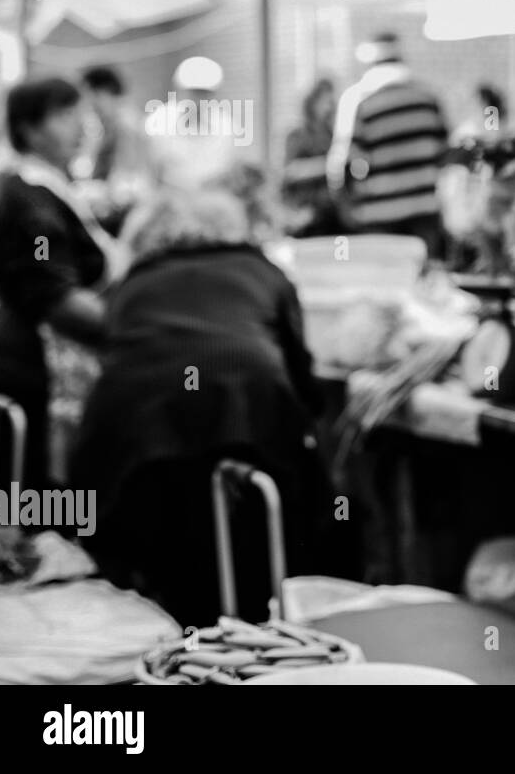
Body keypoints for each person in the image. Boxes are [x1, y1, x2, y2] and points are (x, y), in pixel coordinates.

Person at [73, 183, 327, 626]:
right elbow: (301, 376)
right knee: (271, 528)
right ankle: (260, 634)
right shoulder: (264, 271)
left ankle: (171, 643)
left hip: (135, 434)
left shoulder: (131, 285)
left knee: (161, 559)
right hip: (250, 415)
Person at [0, 78, 115, 489]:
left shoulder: (48, 186)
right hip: (36, 370)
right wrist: (135, 326)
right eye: (65, 116)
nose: (81, 128)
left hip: (46, 361)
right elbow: (55, 297)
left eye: (83, 116)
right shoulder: (29, 200)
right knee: (41, 510)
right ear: (27, 128)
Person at [326, 32, 451, 257]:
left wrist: (347, 210)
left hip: (379, 217)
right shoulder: (428, 98)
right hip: (426, 213)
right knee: (424, 285)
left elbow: (341, 165)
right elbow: (445, 156)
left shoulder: (358, 100)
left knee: (384, 285)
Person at [144, 55, 242, 190]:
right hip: (170, 199)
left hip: (211, 199)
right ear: (179, 91)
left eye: (205, 93)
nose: (199, 99)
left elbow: (227, 169)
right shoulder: (157, 122)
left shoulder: (226, 126)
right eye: (194, 92)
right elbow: (151, 171)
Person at [282, 79, 339, 236]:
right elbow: (291, 171)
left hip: (331, 212)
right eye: (326, 102)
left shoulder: (333, 135)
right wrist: (330, 165)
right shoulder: (298, 135)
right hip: (305, 212)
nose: (330, 107)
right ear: (312, 103)